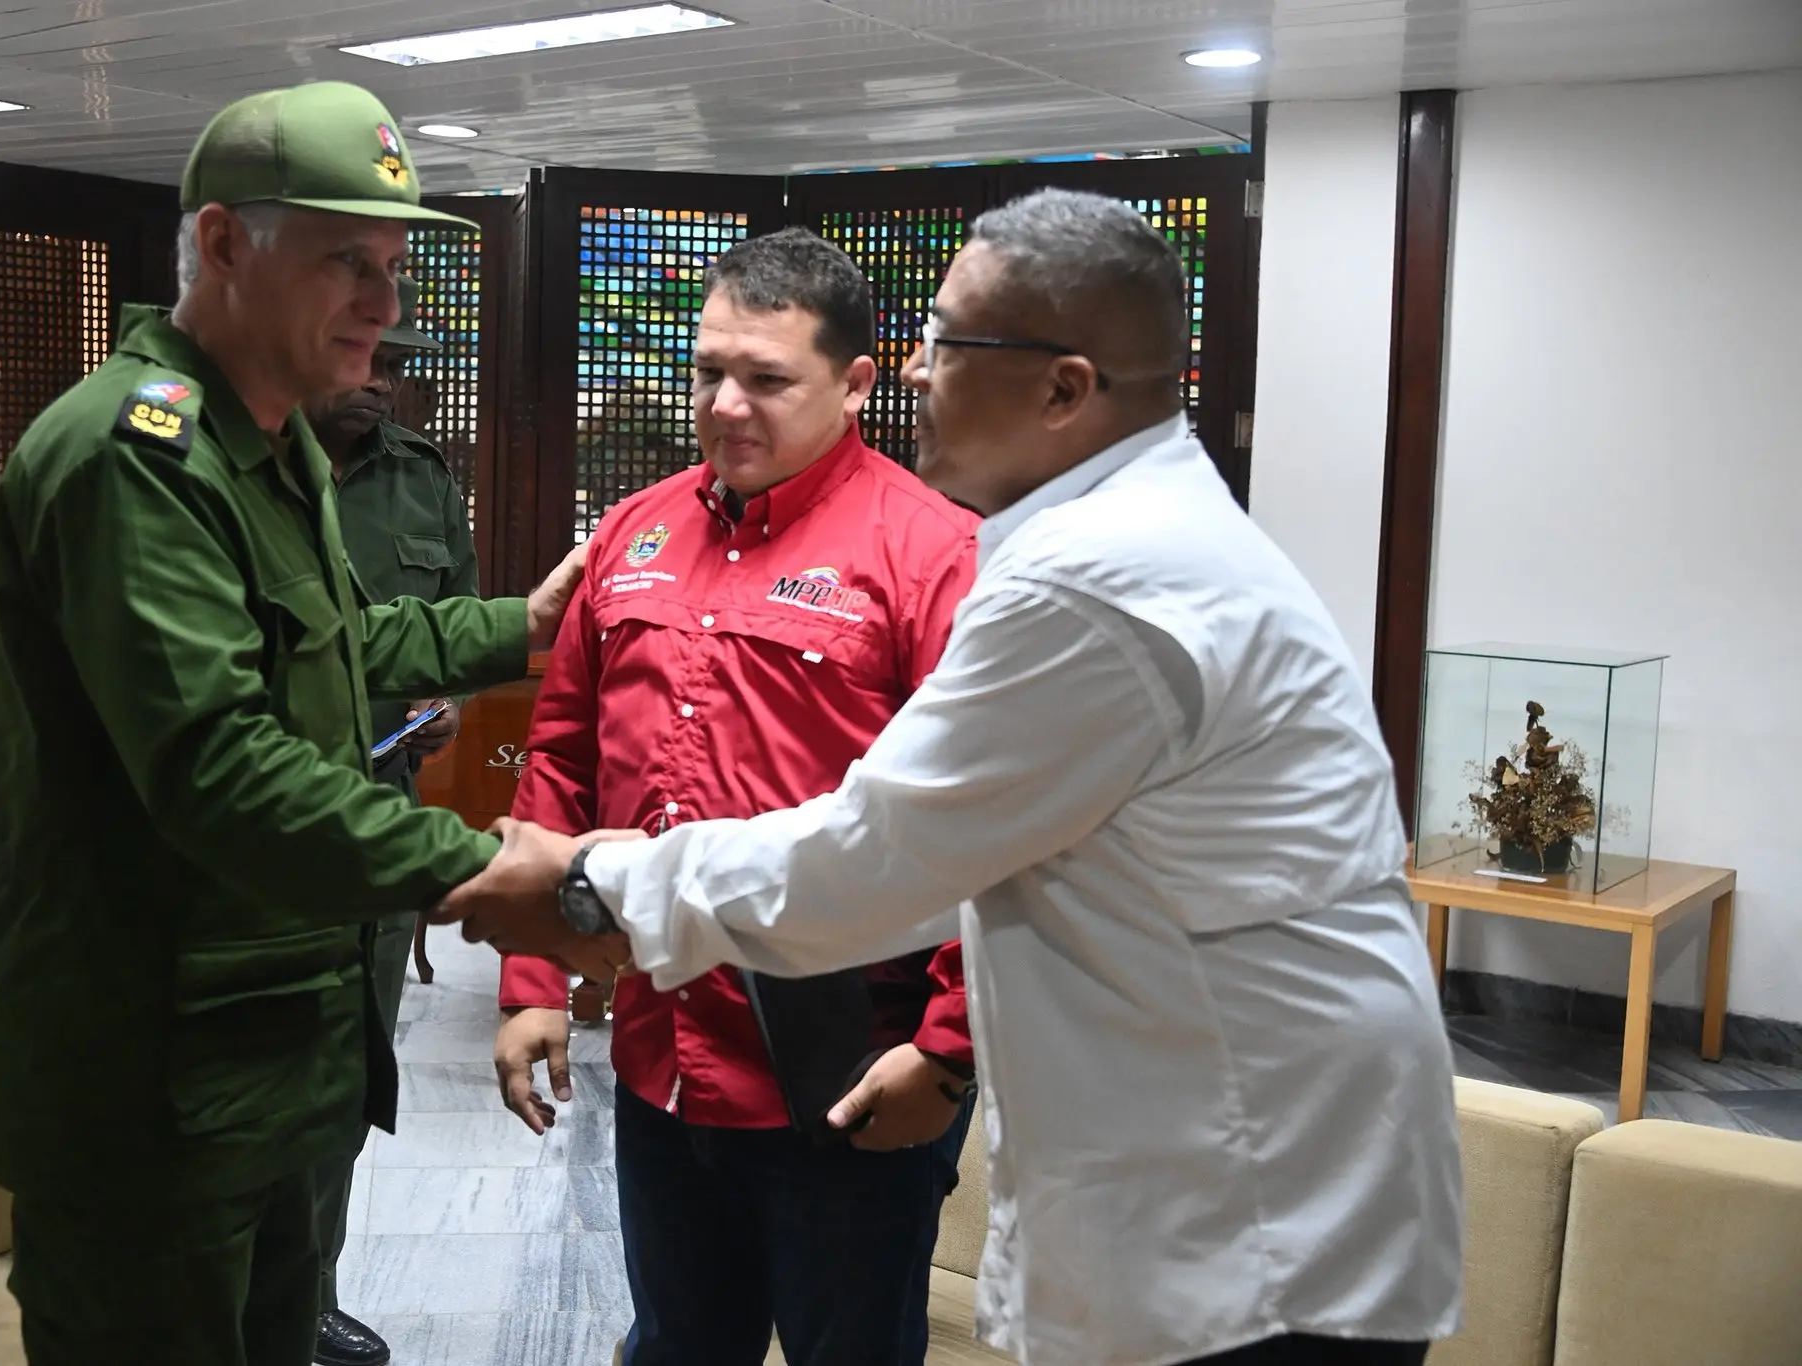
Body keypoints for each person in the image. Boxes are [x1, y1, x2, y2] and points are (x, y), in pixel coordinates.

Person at [436, 188, 1466, 1366]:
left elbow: (879, 857)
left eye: (945, 345)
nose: (921, 373)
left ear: (1063, 388)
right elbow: (593, 754)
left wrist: (585, 885)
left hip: (1242, 1200)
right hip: (1222, 1156)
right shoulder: (1118, 537)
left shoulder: (1086, 581)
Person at [0, 81, 585, 1366]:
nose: (384, 305)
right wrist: (482, 867)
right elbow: (218, 765)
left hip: (272, 1051)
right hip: (141, 1072)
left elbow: (345, 646)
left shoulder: (267, 446)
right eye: (346, 259)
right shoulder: (135, 457)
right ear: (222, 243)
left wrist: (521, 629)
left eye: (393, 265)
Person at [494, 226, 982, 1366]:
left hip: (849, 1066)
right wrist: (532, 978)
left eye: (766, 379)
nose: (724, 404)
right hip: (662, 1048)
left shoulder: (932, 553)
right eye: (708, 370)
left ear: (858, 382)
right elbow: (561, 757)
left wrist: (949, 1051)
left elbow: (992, 827)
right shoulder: (637, 528)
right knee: (673, 1344)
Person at [301, 276, 480, 1366]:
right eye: (365, 358)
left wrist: (447, 695)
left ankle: (309, 1290)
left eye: (399, 366)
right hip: (257, 829)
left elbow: (451, 622)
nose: (382, 384)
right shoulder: (233, 472)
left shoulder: (419, 480)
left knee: (344, 1071)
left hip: (378, 810)